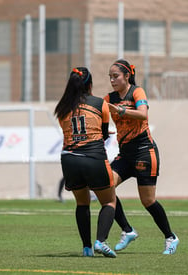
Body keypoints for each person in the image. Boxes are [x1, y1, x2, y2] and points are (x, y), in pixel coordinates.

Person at [104, 59, 179, 255]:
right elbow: (98, 113)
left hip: (145, 151)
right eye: (110, 77)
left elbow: (143, 114)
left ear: (127, 76)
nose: (112, 80)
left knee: (147, 200)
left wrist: (119, 110)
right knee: (105, 187)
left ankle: (171, 237)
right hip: (125, 154)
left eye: (116, 76)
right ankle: (127, 230)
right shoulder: (108, 98)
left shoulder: (137, 92)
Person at [55, 67, 117, 257]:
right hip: (93, 156)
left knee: (82, 204)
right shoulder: (100, 103)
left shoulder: (62, 108)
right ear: (89, 84)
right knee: (109, 201)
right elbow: (104, 133)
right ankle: (100, 241)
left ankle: (87, 248)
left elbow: (70, 131)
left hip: (69, 158)